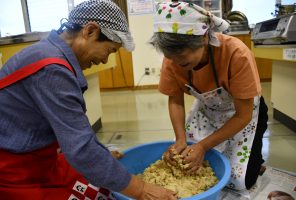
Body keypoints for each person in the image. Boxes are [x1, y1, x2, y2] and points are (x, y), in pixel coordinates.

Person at [0, 0, 177, 199]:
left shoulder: (49, 52)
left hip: (43, 157)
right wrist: (142, 189)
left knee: (101, 187)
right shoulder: (52, 70)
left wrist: (100, 153)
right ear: (90, 31)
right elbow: (81, 149)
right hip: (14, 169)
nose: (104, 60)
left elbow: (75, 129)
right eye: (110, 50)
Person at [150, 1, 268, 191]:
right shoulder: (172, 59)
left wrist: (203, 147)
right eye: (172, 59)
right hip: (208, 112)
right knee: (190, 162)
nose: (176, 64)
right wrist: (180, 139)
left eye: (184, 59)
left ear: (204, 38)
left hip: (243, 115)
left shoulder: (236, 54)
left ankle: (255, 161)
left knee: (241, 180)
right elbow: (175, 100)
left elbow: (243, 115)